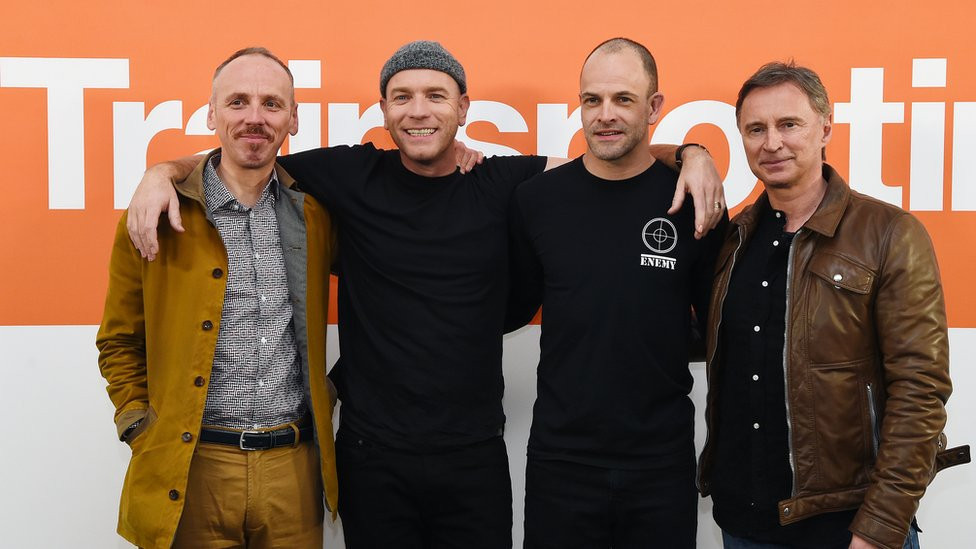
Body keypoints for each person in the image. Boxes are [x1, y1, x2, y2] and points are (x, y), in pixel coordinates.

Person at [123, 40, 725, 548]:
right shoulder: (350, 176)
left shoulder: (505, 182)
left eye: (436, 96)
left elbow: (609, 161)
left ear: (463, 107)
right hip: (371, 455)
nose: (418, 111)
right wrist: (162, 172)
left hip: (475, 457)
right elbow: (247, 153)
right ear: (382, 109)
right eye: (402, 97)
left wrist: (694, 154)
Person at [697, 61, 969, 549]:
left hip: (848, 528)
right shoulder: (732, 241)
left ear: (826, 126)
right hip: (743, 525)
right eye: (755, 129)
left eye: (788, 124)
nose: (771, 143)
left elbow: (920, 391)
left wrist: (880, 526)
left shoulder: (888, 233)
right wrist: (690, 152)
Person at [96, 47, 337, 549]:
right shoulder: (153, 215)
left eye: (272, 104)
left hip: (292, 472)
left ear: (293, 118)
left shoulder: (317, 214)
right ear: (210, 113)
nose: (255, 118)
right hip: (191, 470)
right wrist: (140, 425)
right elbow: (119, 339)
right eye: (237, 102)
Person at [506, 38, 726, 549]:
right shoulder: (536, 200)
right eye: (592, 100)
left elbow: (717, 327)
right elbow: (511, 306)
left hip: (661, 464)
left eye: (623, 99)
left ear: (654, 107)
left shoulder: (694, 202)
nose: (605, 115)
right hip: (561, 463)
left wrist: (695, 152)